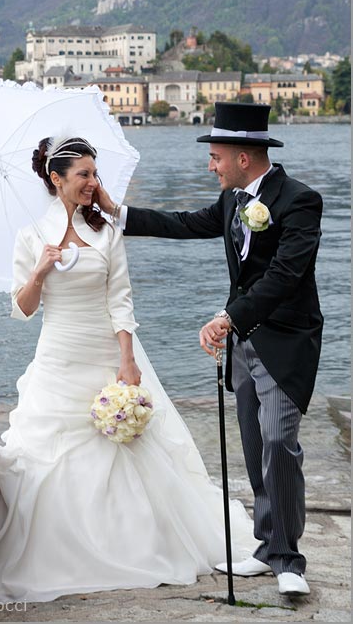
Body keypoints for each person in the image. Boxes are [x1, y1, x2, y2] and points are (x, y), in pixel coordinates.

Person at [0, 134, 256, 604]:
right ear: (56, 179)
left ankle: (131, 541)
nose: (91, 183)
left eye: (94, 174)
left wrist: (127, 359)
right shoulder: (30, 237)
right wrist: (39, 273)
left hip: (106, 351)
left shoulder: (106, 232)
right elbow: (23, 309)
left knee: (128, 446)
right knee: (46, 451)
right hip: (58, 353)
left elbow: (120, 298)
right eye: (82, 175)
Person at [97, 102, 323, 597]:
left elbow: (286, 276)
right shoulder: (233, 202)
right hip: (242, 345)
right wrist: (117, 212)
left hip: (285, 343)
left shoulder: (301, 202)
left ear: (244, 157)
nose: (211, 165)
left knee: (280, 445)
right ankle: (266, 547)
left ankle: (289, 559)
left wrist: (227, 318)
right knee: (253, 443)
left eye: (216, 156)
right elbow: (184, 223)